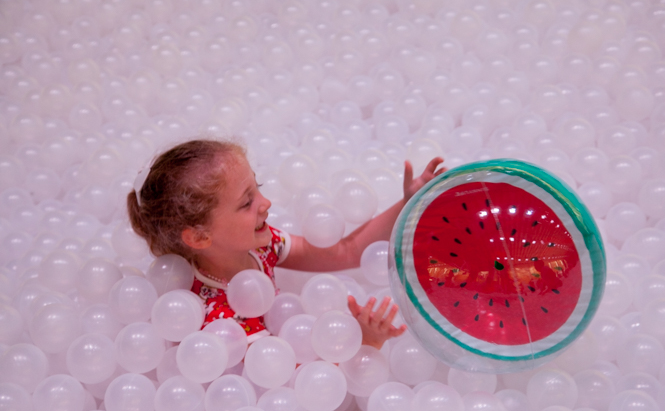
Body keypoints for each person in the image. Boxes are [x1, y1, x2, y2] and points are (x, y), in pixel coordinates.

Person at [127, 139, 445, 350]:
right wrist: (363, 340)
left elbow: (346, 251)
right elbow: (290, 384)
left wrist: (406, 201)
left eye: (258, 188)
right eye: (246, 203)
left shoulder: (260, 247)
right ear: (199, 237)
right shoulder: (222, 320)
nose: (265, 203)